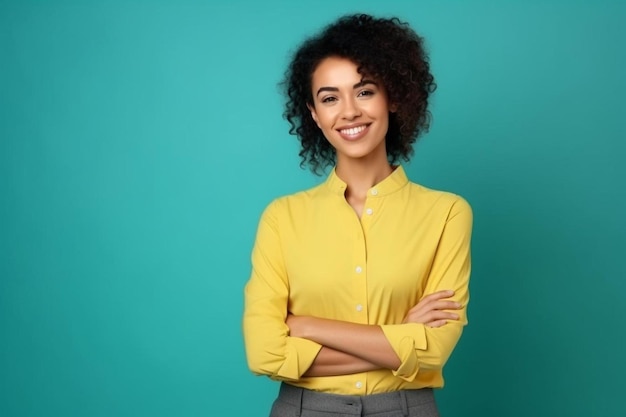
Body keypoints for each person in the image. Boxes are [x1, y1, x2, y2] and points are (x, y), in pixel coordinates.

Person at [243, 13, 472, 417]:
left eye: (364, 91)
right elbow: (264, 354)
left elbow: (433, 351)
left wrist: (307, 326)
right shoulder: (282, 218)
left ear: (394, 96)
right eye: (330, 98)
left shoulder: (447, 213)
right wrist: (400, 339)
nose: (349, 111)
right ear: (315, 114)